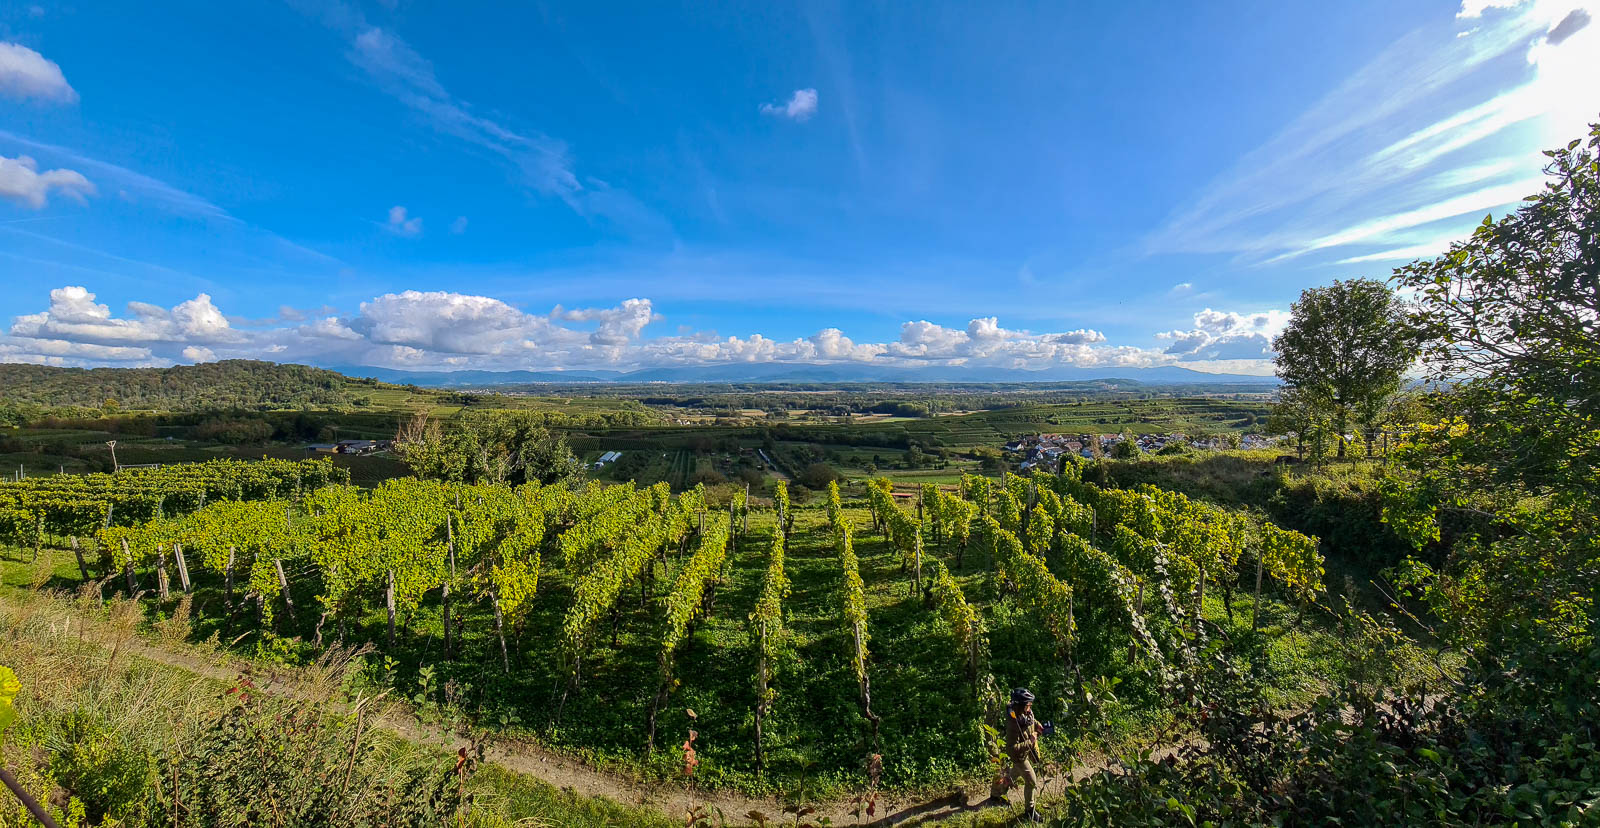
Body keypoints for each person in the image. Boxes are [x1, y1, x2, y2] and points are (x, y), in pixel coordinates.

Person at [1003, 687, 1045, 822]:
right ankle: (1029, 811)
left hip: (1024, 753)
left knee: (1013, 774)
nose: (1030, 707)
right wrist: (1030, 741)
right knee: (1031, 781)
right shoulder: (1013, 723)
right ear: (1020, 706)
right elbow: (1011, 748)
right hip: (1019, 757)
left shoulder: (1026, 714)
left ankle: (996, 794)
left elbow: (1031, 721)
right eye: (1028, 704)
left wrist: (1038, 725)